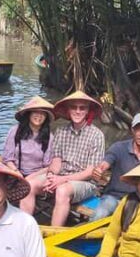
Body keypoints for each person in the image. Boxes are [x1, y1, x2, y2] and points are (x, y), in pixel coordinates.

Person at [45, 91, 105, 226]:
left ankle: (54, 234)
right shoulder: (61, 131)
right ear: (68, 110)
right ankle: (25, 230)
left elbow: (89, 172)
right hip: (61, 176)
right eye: (74, 107)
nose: (78, 111)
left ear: (87, 111)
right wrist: (51, 175)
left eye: (82, 108)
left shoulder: (96, 135)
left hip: (86, 183)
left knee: (62, 190)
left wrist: (62, 179)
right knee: (31, 185)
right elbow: (56, 161)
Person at [2, 96, 56, 215]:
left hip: (38, 175)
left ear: (46, 117)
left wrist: (29, 178)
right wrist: (16, 172)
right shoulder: (15, 131)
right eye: (35, 112)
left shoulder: (49, 137)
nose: (39, 116)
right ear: (29, 114)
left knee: (28, 186)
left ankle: (25, 221)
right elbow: (7, 158)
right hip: (16, 172)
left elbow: (48, 166)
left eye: (42, 114)